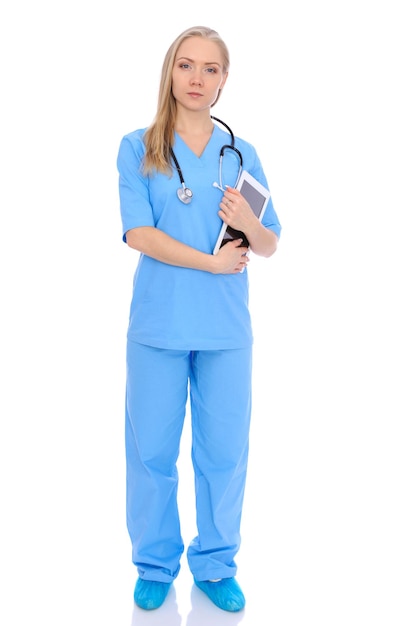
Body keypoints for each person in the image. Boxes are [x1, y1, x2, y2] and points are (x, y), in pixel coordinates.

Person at [116, 25, 281, 613]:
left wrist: (248, 220)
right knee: (152, 452)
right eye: (186, 66)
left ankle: (214, 565)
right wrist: (211, 263)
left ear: (224, 80)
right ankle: (155, 563)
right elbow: (139, 233)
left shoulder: (242, 155)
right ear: (170, 72)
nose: (196, 79)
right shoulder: (139, 147)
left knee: (223, 453)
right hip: (158, 328)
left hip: (224, 332)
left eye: (210, 69)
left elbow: (267, 244)